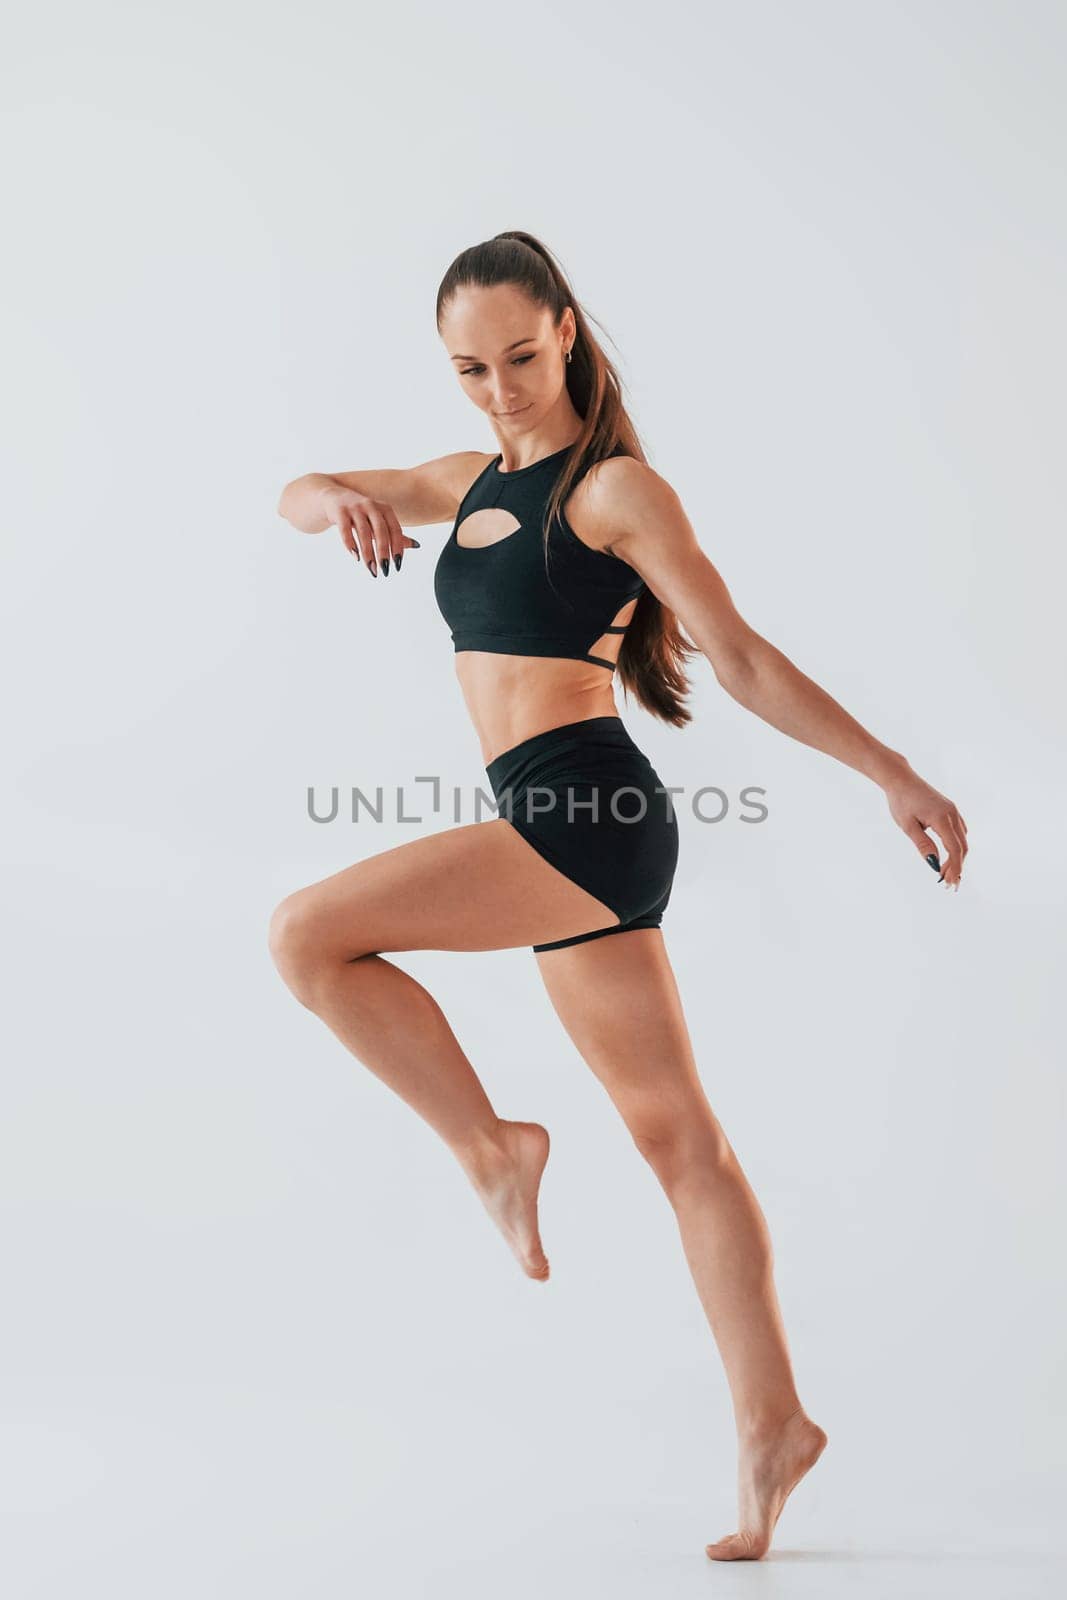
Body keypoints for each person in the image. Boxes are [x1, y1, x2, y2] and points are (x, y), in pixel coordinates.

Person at [271, 229, 969, 1561]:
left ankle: (491, 1148)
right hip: (554, 825)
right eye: (469, 367)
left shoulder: (616, 493)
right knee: (682, 1149)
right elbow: (298, 491)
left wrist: (892, 773)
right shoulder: (464, 478)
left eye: (521, 358)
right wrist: (335, 499)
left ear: (570, 331)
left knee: (307, 931)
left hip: (582, 811)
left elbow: (744, 661)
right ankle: (775, 1425)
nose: (498, 390)